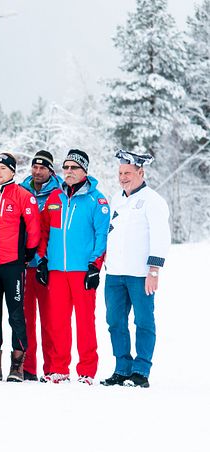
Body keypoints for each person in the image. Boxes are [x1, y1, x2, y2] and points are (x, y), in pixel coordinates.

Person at [37, 149, 110, 385]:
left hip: (82, 271)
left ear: (84, 171)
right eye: (66, 167)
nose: (68, 172)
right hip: (57, 270)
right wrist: (42, 261)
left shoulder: (96, 200)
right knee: (57, 321)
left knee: (85, 322)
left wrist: (94, 265)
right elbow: (45, 232)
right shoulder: (54, 199)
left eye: (73, 168)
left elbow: (102, 235)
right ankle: (59, 369)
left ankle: (86, 371)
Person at [102, 150, 170, 388]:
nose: (123, 177)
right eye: (120, 173)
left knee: (143, 321)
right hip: (115, 274)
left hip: (140, 275)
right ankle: (122, 368)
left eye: (128, 173)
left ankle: (141, 370)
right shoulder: (116, 198)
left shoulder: (153, 201)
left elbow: (161, 236)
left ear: (141, 172)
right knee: (115, 321)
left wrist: (154, 270)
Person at [0, 153, 40, 381]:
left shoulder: (23, 196)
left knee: (16, 315)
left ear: (13, 171)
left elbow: (34, 229)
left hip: (13, 265)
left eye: (3, 167)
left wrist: (27, 254)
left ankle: (17, 365)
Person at [19, 150, 62, 381]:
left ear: (50, 170)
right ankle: (28, 368)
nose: (37, 171)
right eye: (35, 167)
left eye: (42, 168)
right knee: (26, 319)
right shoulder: (22, 190)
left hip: (48, 266)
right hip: (25, 265)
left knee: (50, 319)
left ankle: (52, 367)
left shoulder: (60, 193)